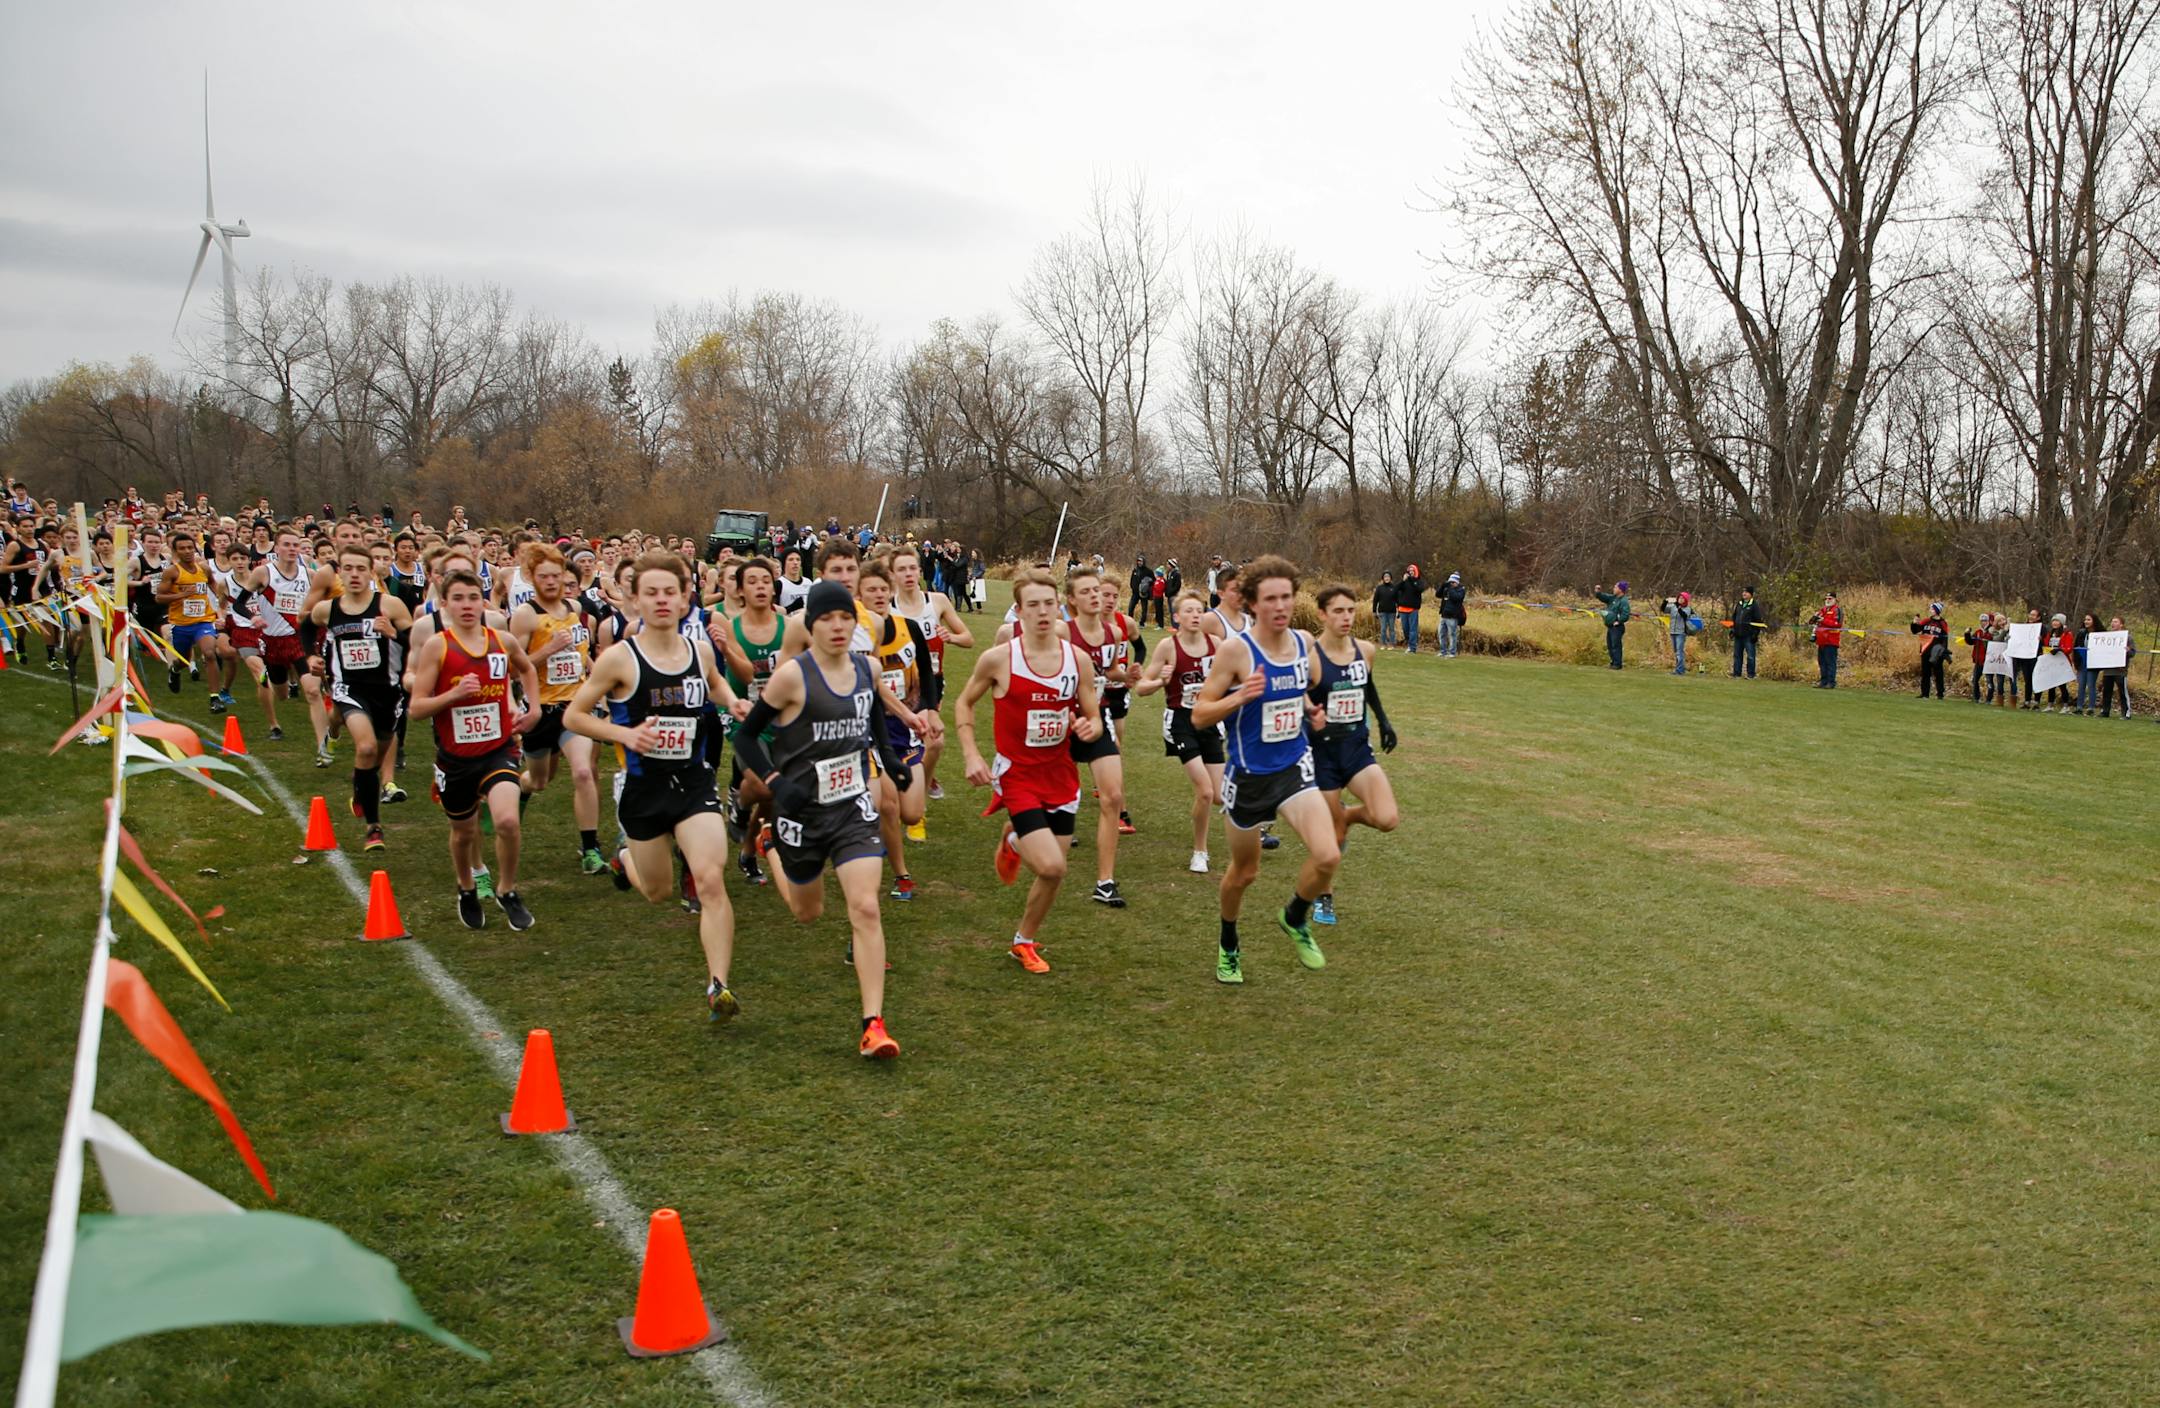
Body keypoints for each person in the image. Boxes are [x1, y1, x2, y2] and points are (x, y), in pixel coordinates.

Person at [565, 550, 752, 1017]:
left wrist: (733, 702)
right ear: (635, 598)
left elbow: (715, 684)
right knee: (658, 891)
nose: (663, 600)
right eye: (652, 593)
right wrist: (624, 734)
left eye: (671, 591)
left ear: (687, 595)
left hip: (693, 783)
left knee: (710, 879)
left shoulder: (700, 650)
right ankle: (625, 858)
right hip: (644, 791)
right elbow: (574, 715)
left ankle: (719, 984)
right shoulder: (618, 659)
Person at [729, 579, 905, 1057]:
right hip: (801, 811)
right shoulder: (792, 676)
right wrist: (775, 781)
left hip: (852, 808)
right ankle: (768, 847)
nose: (837, 626)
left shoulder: (867, 670)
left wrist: (892, 766)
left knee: (866, 907)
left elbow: (871, 726)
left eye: (845, 617)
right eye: (826, 618)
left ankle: (873, 1024)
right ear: (811, 625)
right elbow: (745, 738)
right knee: (808, 913)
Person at [1188, 554, 1339, 984]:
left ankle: (1295, 916)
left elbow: (1302, 687)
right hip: (1248, 777)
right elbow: (1200, 715)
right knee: (1245, 873)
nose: (1280, 606)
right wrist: (1240, 697)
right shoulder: (1237, 650)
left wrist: (1310, 711)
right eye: (1270, 598)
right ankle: (1229, 943)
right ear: (1253, 603)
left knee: (1327, 855)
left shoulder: (1304, 643)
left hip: (1293, 767)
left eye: (1287, 597)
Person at [954, 568, 1103, 974]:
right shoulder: (1000, 659)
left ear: (1059, 609)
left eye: (1048, 604)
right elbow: (964, 704)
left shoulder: (1078, 660)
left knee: (1054, 872)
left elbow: (1093, 715)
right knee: (1053, 865)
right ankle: (1019, 842)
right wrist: (971, 754)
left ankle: (1023, 939)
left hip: (1061, 775)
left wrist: (1092, 726)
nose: (1041, 612)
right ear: (1018, 611)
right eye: (1032, 605)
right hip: (1017, 774)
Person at [405, 569, 541, 930]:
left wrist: (534, 708)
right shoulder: (439, 646)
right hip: (455, 759)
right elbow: (416, 709)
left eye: (473, 597)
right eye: (458, 599)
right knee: (464, 833)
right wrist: (452, 696)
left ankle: (508, 890)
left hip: (499, 751)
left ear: (484, 601)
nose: (467, 605)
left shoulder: (502, 640)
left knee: (508, 821)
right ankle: (466, 887)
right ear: (445, 604)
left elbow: (527, 670)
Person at [1306, 585, 1400, 927]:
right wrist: (1309, 719)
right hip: (1323, 755)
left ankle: (1348, 815)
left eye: (1350, 610)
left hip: (1357, 749)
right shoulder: (1312, 658)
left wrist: (1384, 721)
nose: (1346, 617)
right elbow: (1295, 701)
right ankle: (1324, 897)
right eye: (1338, 611)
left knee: (1387, 818)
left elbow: (1367, 686)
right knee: (1332, 839)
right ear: (1322, 614)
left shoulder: (1366, 650)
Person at [310, 545, 413, 852]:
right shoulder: (328, 609)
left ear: (372, 572)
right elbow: (305, 623)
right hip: (348, 688)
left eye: (361, 569)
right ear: (339, 572)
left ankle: (362, 789)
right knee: (365, 747)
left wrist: (394, 633)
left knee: (375, 753)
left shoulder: (390, 605)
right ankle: (374, 827)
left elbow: (416, 643)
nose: (354, 574)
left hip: (387, 691)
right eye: (348, 568)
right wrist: (309, 658)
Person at [509, 545, 603, 874]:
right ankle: (521, 789)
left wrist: (596, 676)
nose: (551, 582)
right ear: (532, 578)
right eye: (543, 576)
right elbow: (511, 667)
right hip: (540, 708)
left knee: (582, 771)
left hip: (574, 706)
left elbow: (580, 653)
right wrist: (547, 650)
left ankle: (590, 849)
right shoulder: (526, 615)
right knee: (540, 779)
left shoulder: (575, 607)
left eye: (556, 575)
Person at [1135, 590, 1224, 874]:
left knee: (1220, 795)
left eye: (1199, 610)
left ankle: (1234, 812)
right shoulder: (1168, 647)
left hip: (1209, 721)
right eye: (1188, 611)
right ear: (1177, 616)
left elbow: (1233, 679)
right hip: (1181, 722)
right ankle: (1201, 851)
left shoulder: (1217, 645)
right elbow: (1141, 688)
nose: (1195, 615)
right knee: (1206, 792)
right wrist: (1160, 681)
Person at [1062, 567, 1132, 908]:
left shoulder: (1113, 633)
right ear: (1072, 600)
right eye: (1086, 591)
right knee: (1052, 804)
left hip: (1097, 718)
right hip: (1059, 721)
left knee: (1112, 796)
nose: (1094, 596)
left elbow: (1109, 672)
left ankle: (1105, 882)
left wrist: (1127, 675)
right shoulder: (1063, 631)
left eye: (1097, 590)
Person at [152, 532, 228, 715]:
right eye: (182, 548)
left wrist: (223, 600)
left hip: (203, 620)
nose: (187, 552)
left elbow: (213, 585)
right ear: (175, 551)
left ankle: (214, 698)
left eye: (190, 548)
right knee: (183, 661)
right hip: (181, 624)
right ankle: (175, 670)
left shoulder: (204, 569)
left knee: (209, 653)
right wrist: (182, 595)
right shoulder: (172, 572)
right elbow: (159, 597)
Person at [2095, 617, 2136, 718]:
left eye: (2116, 622)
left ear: (2121, 624)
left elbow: (2133, 652)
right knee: (2107, 691)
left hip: (2120, 670)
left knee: (2122, 692)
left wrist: (2127, 651)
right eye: (2112, 621)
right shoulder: (2107, 637)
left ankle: (2126, 713)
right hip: (2108, 669)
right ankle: (2105, 711)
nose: (2113, 623)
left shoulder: (2127, 637)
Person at [1909, 602, 1950, 699]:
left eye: (1932, 609)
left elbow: (1945, 638)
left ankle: (1940, 694)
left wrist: (1943, 651)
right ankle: (1925, 693)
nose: (1930, 610)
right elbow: (1915, 631)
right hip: (1925, 650)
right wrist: (1914, 623)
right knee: (1925, 673)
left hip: (1936, 653)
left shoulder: (1943, 623)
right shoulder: (1926, 621)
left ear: (1937, 611)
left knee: (1938, 673)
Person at [2039, 614, 2075, 712]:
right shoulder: (2050, 633)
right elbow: (2046, 644)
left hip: (2062, 662)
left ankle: (2066, 706)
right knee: (2051, 684)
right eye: (2053, 621)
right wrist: (2041, 641)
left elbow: (2069, 647)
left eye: (2057, 621)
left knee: (2062, 684)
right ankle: (2050, 704)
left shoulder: (2067, 633)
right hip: (2051, 661)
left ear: (2062, 622)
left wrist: (2060, 649)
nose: (2055, 623)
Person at [1807, 593, 1842, 688]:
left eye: (1830, 598)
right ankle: (1823, 681)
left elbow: (1837, 624)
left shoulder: (1836, 610)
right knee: (1822, 662)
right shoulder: (1822, 610)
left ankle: (1831, 682)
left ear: (1835, 600)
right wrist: (1814, 618)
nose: (1827, 600)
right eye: (1826, 598)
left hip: (1831, 640)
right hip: (1821, 640)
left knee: (1830, 662)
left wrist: (1823, 620)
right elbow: (1811, 622)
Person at [1593, 581, 1630, 668]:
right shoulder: (1613, 598)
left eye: (1615, 587)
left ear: (1620, 589)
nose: (1614, 589)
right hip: (1610, 626)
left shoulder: (1624, 601)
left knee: (1615, 645)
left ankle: (1617, 664)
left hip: (1617, 627)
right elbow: (1604, 597)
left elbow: (1625, 614)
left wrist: (1619, 621)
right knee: (1610, 645)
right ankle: (1613, 662)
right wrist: (1598, 592)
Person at [1729, 586, 1764, 678]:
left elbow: (1758, 621)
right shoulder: (1739, 604)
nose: (1744, 594)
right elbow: (1734, 618)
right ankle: (1736, 673)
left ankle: (1751, 674)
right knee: (1737, 655)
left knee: (1750, 656)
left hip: (1749, 635)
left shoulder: (1754, 605)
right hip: (1738, 634)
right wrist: (1732, 630)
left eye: (1746, 592)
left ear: (1751, 594)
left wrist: (1755, 634)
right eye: (1743, 592)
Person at [2072, 612, 2102, 715]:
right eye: (2085, 620)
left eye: (2089, 620)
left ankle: (2091, 708)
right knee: (2081, 685)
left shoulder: (2100, 633)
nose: (2086, 622)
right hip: (2082, 662)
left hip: (2093, 663)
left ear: (2094, 621)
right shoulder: (2081, 633)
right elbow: (2075, 648)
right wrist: (2076, 662)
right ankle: (2079, 707)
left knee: (2091, 685)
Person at [1395, 564, 1426, 654]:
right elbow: (1396, 589)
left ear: (1416, 572)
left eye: (1413, 571)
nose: (1411, 572)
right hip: (1403, 609)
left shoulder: (1418, 581)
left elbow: (1419, 589)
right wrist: (1403, 581)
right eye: (1409, 571)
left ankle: (1412, 647)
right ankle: (1409, 643)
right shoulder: (1405, 582)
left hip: (1413, 609)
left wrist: (1412, 580)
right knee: (1406, 629)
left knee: (1413, 629)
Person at [1662, 591, 1694, 675]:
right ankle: (1679, 669)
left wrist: (1678, 607)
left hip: (1681, 632)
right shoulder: (1673, 607)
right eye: (1679, 598)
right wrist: (1665, 601)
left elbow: (1684, 615)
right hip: (1673, 631)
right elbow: (1663, 609)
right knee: (1676, 652)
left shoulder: (1688, 609)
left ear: (1686, 600)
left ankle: (1679, 670)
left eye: (1682, 598)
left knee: (1680, 652)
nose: (1680, 599)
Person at [1437, 571, 1467, 657]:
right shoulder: (1447, 589)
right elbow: (1438, 594)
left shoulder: (1461, 590)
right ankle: (1443, 651)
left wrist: (1451, 589)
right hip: (1443, 615)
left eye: (1453, 582)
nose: (1451, 584)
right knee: (1441, 634)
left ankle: (1452, 652)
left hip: (1453, 616)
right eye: (1450, 582)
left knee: (1452, 635)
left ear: (1457, 582)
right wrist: (1443, 586)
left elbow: (1456, 598)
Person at [1372, 572, 1397, 648]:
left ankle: (1392, 644)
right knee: (1383, 629)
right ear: (1383, 578)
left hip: (1392, 612)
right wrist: (1374, 611)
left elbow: (1398, 600)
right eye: (1385, 577)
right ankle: (1383, 644)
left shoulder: (1394, 587)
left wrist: (1399, 610)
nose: (1387, 578)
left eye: (1388, 577)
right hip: (1382, 612)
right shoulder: (1379, 588)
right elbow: (1375, 600)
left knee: (1392, 629)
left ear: (1390, 578)